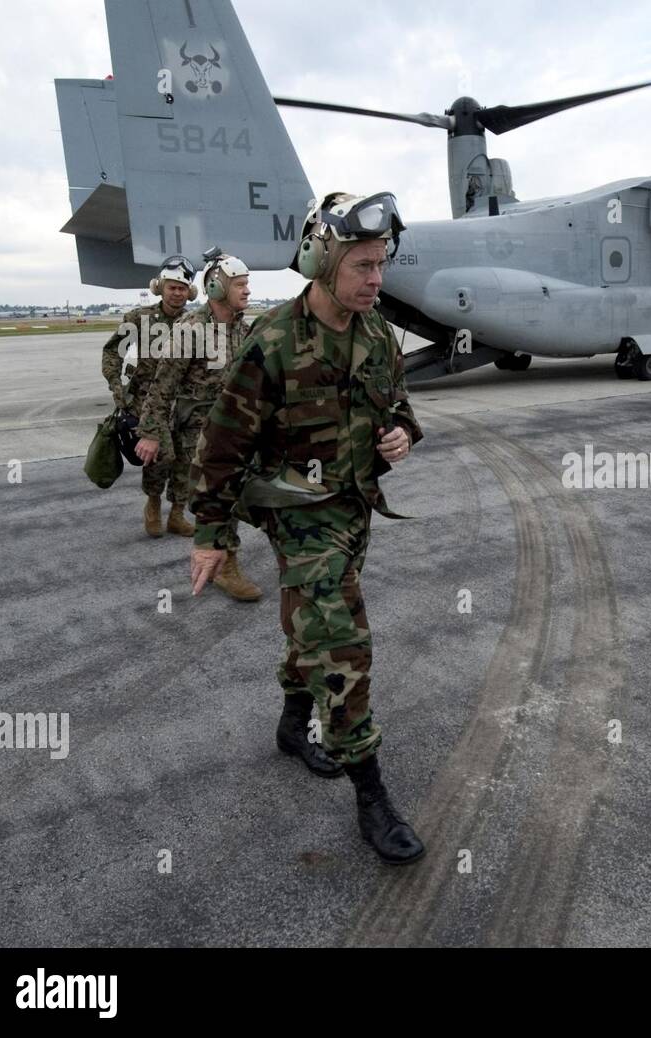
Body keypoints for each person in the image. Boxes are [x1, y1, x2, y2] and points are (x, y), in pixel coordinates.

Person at [188, 192, 426, 865]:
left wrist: (403, 433)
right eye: (362, 265)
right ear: (321, 261)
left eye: (381, 264)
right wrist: (211, 533)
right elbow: (222, 445)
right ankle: (371, 793)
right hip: (296, 517)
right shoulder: (273, 342)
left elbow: (404, 407)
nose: (376, 279)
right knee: (342, 639)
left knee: (309, 623)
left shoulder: (377, 333)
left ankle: (294, 725)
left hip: (354, 511)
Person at [137, 250, 261, 601]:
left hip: (235, 430)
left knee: (233, 494)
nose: (247, 291)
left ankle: (221, 557)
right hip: (197, 430)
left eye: (247, 284)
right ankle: (225, 565)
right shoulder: (191, 329)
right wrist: (151, 433)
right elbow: (163, 386)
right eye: (240, 284)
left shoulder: (244, 328)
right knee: (218, 497)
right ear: (217, 288)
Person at [102, 255, 196, 537]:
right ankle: (153, 504)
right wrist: (117, 390)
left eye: (182, 288)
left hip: (185, 404)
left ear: (190, 292)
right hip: (149, 404)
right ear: (160, 287)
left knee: (186, 459)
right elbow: (112, 352)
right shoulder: (140, 319)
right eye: (172, 287)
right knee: (160, 457)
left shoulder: (197, 322)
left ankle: (177, 514)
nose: (177, 293)